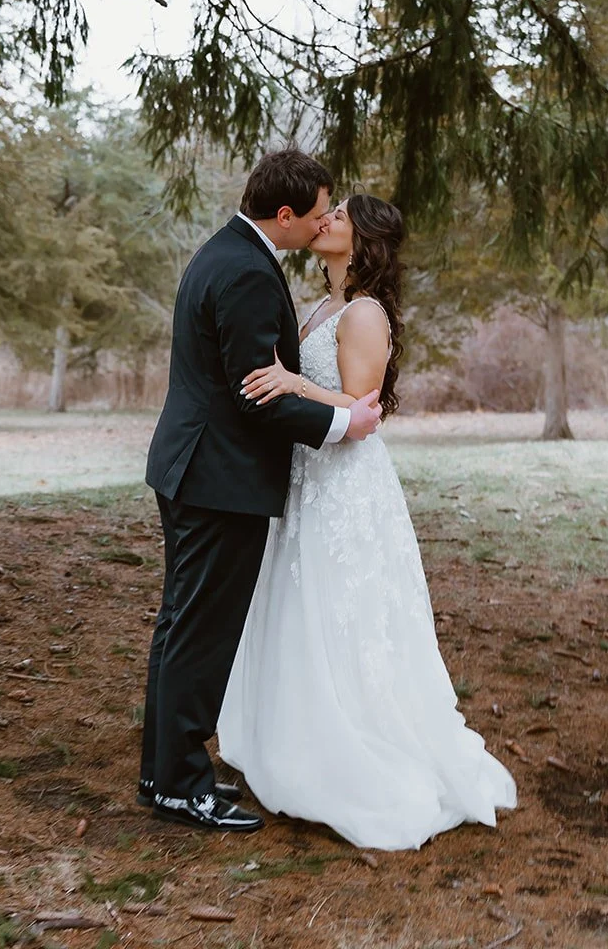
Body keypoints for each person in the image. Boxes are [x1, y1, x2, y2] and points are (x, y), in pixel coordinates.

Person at [218, 193, 517, 849]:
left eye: (339, 217)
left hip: (345, 487)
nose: (325, 221)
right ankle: (292, 738)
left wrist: (292, 385)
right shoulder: (323, 307)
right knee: (300, 607)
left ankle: (356, 751)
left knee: (344, 612)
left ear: (364, 240)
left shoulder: (363, 314)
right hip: (305, 479)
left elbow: (357, 412)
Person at [140, 149, 384, 832]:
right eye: (313, 215)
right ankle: (180, 784)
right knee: (200, 632)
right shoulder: (247, 271)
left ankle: (165, 773)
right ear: (283, 214)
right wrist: (343, 421)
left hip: (192, 468)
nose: (319, 225)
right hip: (219, 478)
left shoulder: (225, 252)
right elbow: (258, 395)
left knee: (181, 626)